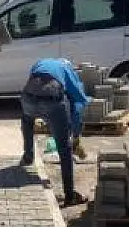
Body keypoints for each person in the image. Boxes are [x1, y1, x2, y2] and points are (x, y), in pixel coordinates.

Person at [18, 58, 89, 207]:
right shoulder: (67, 71)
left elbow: (34, 84)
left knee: (27, 121)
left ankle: (28, 156)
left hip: (27, 99)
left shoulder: (40, 63)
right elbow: (77, 105)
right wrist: (75, 135)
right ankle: (70, 196)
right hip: (51, 102)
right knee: (64, 149)